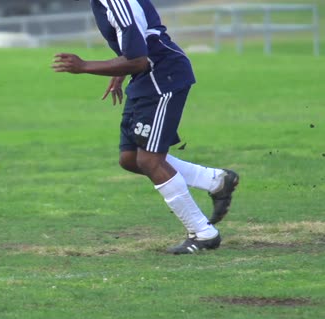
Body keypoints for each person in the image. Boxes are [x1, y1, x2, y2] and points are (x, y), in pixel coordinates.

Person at [52, 0, 239, 254]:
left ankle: (203, 233)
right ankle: (215, 180)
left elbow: (139, 59)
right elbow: (139, 40)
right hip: (144, 79)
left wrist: (85, 66)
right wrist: (118, 70)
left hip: (162, 79)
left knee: (150, 160)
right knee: (130, 158)